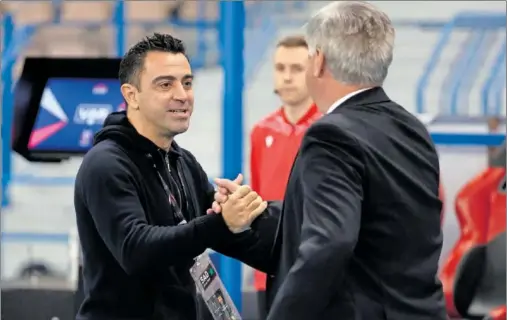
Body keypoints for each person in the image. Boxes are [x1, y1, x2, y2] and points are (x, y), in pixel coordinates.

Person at [213, 2, 447, 319]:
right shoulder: (412, 128)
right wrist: (258, 212)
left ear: (319, 61)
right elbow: (373, 220)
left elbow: (329, 243)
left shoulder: (330, 135)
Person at [73, 33, 275, 320]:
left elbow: (229, 236)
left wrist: (247, 213)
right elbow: (136, 249)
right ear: (132, 95)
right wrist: (220, 222)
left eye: (187, 83)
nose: (182, 95)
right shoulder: (106, 164)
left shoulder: (183, 163)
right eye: (165, 84)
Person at [249, 35, 321, 318]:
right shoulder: (261, 131)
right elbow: (258, 196)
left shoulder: (329, 129)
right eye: (280, 68)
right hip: (268, 265)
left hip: (313, 263)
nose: (287, 77)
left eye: (296, 68)